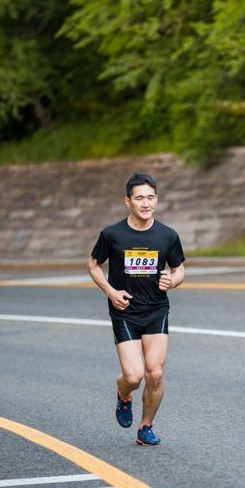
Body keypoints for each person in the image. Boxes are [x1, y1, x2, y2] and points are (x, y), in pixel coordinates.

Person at [88, 172, 186, 446]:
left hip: (156, 310)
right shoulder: (112, 234)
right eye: (139, 198)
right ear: (128, 201)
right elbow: (93, 264)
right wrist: (110, 292)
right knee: (134, 376)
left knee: (155, 373)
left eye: (150, 197)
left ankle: (145, 427)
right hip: (125, 311)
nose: (146, 203)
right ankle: (124, 395)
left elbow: (179, 269)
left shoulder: (167, 235)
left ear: (157, 199)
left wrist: (173, 280)